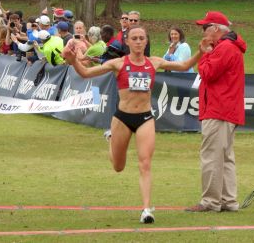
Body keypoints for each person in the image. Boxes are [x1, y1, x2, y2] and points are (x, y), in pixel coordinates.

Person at [64, 25, 202, 223]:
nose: (138, 42)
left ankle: (146, 209)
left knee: (145, 163)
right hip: (122, 118)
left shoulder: (154, 62)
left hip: (145, 118)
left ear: (146, 41)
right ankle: (110, 139)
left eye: (141, 38)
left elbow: (184, 65)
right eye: (134, 38)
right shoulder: (118, 63)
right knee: (118, 166)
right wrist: (73, 61)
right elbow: (85, 73)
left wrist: (200, 51)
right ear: (127, 41)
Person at [185, 11, 247, 213]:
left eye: (205, 27)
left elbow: (208, 73)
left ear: (216, 29)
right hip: (226, 109)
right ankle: (229, 201)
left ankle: (210, 202)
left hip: (219, 109)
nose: (203, 31)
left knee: (212, 156)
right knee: (225, 157)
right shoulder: (228, 47)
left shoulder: (225, 48)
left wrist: (205, 53)